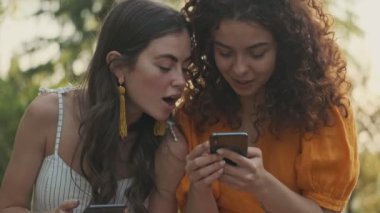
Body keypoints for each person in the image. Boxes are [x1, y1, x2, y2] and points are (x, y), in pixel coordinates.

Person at [0, 0, 191, 212]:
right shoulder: (49, 115)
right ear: (118, 66)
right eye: (165, 66)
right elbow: (9, 205)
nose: (181, 80)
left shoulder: (170, 146)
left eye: (185, 67)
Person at [175, 0, 359, 212]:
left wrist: (261, 184)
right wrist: (199, 187)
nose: (240, 69)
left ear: (285, 47)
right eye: (225, 53)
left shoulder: (322, 110)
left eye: (257, 53)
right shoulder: (194, 115)